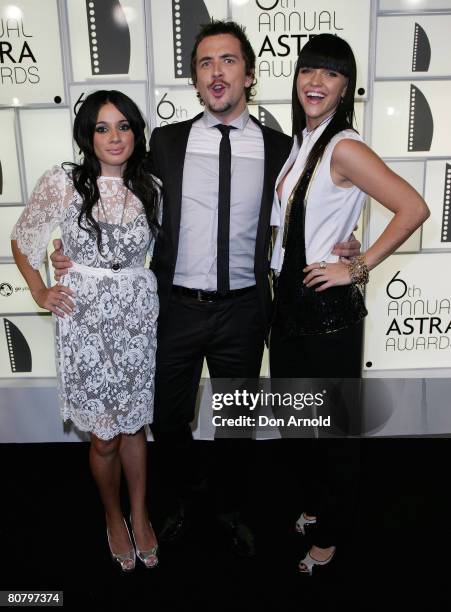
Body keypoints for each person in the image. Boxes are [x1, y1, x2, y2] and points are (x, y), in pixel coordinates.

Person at [50, 21, 359, 557]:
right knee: (170, 422)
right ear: (195, 80)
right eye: (205, 64)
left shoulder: (282, 147)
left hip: (244, 309)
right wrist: (71, 252)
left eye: (229, 61)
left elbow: (317, 203)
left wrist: (348, 245)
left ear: (250, 74)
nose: (217, 73)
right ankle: (182, 504)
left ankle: (228, 507)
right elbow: (115, 202)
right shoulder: (164, 144)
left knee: (236, 425)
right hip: (174, 310)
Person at [269, 34, 430, 575]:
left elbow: (413, 207)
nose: (316, 81)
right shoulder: (304, 141)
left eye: (331, 73)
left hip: (326, 310)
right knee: (300, 424)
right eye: (308, 70)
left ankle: (333, 532)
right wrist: (347, 239)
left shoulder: (344, 146)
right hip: (287, 304)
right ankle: (318, 505)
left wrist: (356, 266)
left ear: (345, 88)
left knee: (334, 431)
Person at [11, 90, 161, 572]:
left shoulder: (152, 185)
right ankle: (112, 516)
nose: (114, 137)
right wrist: (39, 291)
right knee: (104, 437)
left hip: (136, 316)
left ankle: (140, 514)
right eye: (102, 127)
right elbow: (22, 238)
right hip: (85, 321)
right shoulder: (63, 182)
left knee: (136, 425)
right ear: (87, 135)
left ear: (136, 133)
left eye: (123, 126)